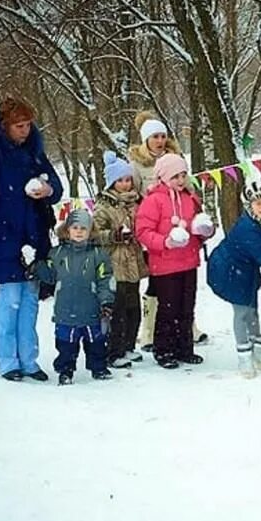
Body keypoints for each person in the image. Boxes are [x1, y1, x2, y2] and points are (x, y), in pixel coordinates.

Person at [0, 97, 63, 381]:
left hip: (34, 235)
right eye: (19, 125)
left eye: (28, 124)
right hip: (3, 236)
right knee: (10, 299)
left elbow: (56, 187)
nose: (25, 130)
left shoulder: (35, 153)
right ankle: (8, 360)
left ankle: (29, 359)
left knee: (30, 300)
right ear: (5, 126)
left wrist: (46, 189)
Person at [127, 110, 207, 350]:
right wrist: (151, 219)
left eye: (163, 136)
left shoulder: (177, 159)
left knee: (184, 295)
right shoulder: (137, 164)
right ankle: (151, 332)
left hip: (182, 240)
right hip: (155, 231)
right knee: (160, 289)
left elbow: (190, 192)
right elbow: (132, 194)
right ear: (146, 140)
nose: (160, 141)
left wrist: (200, 224)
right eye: (155, 137)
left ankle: (187, 333)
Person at [207, 180, 261, 378]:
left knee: (253, 310)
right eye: (258, 204)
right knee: (243, 311)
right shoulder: (247, 228)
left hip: (246, 269)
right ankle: (244, 356)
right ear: (249, 206)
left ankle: (257, 351)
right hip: (228, 270)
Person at [135, 154, 213, 369]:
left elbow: (199, 224)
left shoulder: (190, 198)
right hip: (164, 264)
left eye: (183, 175)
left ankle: (185, 348)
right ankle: (164, 349)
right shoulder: (154, 201)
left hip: (188, 262)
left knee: (187, 307)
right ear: (163, 177)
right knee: (168, 309)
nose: (180, 180)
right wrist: (165, 242)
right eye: (175, 176)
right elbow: (143, 231)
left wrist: (204, 230)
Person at [27, 209, 115, 385]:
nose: (79, 231)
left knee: (96, 342)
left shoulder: (99, 255)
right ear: (67, 230)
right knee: (66, 344)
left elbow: (106, 279)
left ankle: (98, 367)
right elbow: (50, 276)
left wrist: (106, 301)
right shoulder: (57, 253)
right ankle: (65, 370)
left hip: (92, 309)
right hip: (65, 309)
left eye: (84, 228)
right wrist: (35, 266)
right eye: (75, 227)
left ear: (91, 231)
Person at [93, 151, 149, 369]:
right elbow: (96, 233)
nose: (126, 185)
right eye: (120, 181)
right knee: (118, 310)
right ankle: (114, 351)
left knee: (133, 307)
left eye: (128, 180)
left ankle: (128, 346)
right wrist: (114, 235)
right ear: (111, 182)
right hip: (115, 263)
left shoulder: (136, 201)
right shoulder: (104, 205)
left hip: (134, 261)